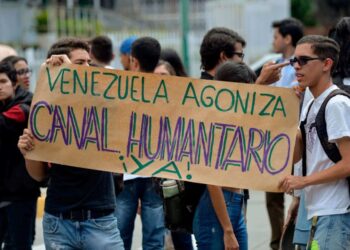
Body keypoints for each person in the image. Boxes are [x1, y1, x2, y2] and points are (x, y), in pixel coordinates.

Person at [17, 37, 124, 250]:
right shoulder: (45, 113)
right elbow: (39, 175)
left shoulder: (101, 106)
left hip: (100, 221)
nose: (87, 69)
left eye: (89, 63)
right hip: (59, 222)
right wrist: (28, 151)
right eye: (79, 64)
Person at [279, 35, 350, 249]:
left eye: (303, 60)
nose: (296, 67)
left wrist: (304, 182)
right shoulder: (310, 104)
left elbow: (348, 164)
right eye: (294, 61)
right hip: (316, 211)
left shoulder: (336, 104)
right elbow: (297, 154)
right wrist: (288, 107)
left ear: (326, 64)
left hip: (336, 211)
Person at [115, 36, 165, 250]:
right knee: (155, 237)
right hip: (157, 171)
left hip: (125, 174)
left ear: (133, 61)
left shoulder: (118, 90)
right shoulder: (170, 92)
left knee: (119, 236)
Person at [266, 17, 304, 250]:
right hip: (273, 141)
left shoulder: (300, 69)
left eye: (276, 36)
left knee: (299, 195)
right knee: (272, 198)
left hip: (296, 141)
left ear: (287, 38)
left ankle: (294, 241)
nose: (274, 41)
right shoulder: (273, 67)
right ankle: (276, 244)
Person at [0, 61, 40, 249]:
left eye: (2, 81)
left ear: (14, 83)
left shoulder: (26, 104)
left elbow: (6, 122)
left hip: (21, 193)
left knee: (19, 245)